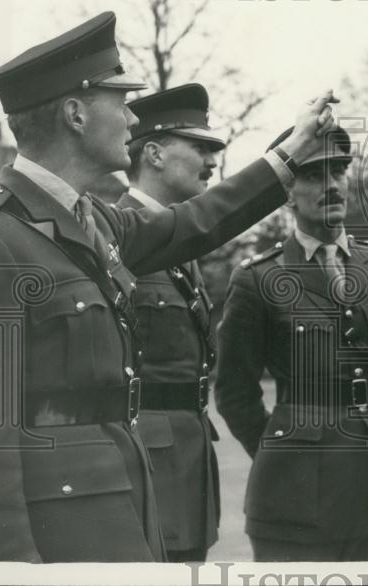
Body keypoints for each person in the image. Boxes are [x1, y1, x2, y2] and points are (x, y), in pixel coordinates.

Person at [0, 11, 336, 563]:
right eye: (120, 102)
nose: (130, 119)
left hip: (125, 521)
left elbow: (196, 222)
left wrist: (286, 158)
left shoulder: (95, 220)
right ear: (75, 113)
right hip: (61, 546)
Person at [215, 126, 368, 561]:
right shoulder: (258, 279)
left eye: (339, 171)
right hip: (297, 497)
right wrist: (287, 451)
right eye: (313, 176)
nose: (330, 185)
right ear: (287, 192)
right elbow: (235, 394)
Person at [117, 83, 226, 562]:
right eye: (200, 147)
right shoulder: (119, 236)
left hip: (189, 457)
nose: (213, 161)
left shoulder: (181, 246)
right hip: (146, 463)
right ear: (155, 154)